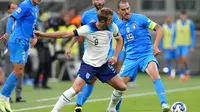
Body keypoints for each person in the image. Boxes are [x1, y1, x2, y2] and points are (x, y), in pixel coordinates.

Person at [34, 8, 127, 112]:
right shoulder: (87, 28)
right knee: (75, 90)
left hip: (103, 65)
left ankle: (110, 109)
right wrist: (43, 35)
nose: (112, 21)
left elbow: (119, 39)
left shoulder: (112, 27)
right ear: (102, 21)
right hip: (89, 65)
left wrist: (115, 56)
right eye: (110, 20)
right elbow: (65, 34)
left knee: (122, 87)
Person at [106, 0, 170, 112]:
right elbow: (120, 42)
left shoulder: (140, 18)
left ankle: (164, 104)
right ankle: (113, 109)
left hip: (146, 54)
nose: (127, 11)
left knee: (154, 74)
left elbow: (159, 28)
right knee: (120, 86)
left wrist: (155, 46)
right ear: (119, 11)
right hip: (131, 58)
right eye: (124, 10)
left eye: (128, 8)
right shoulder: (118, 26)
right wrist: (115, 56)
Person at [66, 0, 125, 112]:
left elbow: (118, 33)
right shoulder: (87, 15)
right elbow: (78, 32)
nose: (99, 1)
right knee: (87, 79)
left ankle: (112, 108)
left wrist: (116, 54)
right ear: (93, 1)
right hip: (89, 54)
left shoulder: (111, 15)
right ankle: (79, 105)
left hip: (105, 55)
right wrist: (70, 46)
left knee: (118, 85)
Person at [0, 0, 40, 111]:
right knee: (17, 70)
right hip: (17, 40)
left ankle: (6, 99)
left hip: (25, 42)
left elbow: (30, 25)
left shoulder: (36, 7)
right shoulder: (25, 5)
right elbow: (12, 17)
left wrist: (34, 37)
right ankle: (2, 97)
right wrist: (8, 32)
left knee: (19, 72)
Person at [0, 1, 27, 103]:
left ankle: (18, 96)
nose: (15, 10)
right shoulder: (3, 21)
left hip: (20, 49)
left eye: (16, 8)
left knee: (20, 73)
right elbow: (1, 36)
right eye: (13, 8)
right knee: (8, 73)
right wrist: (4, 50)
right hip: (9, 49)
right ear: (8, 10)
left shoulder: (22, 20)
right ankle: (7, 96)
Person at [172, 11, 195, 81]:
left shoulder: (190, 23)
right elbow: (174, 35)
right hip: (178, 44)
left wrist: (192, 46)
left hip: (186, 44)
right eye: (182, 15)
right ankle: (182, 74)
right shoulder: (177, 23)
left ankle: (187, 71)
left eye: (184, 15)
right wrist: (172, 44)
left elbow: (192, 35)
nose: (183, 17)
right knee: (180, 60)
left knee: (184, 59)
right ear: (180, 16)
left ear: (186, 16)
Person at [160, 16, 176, 80]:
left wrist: (173, 45)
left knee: (177, 61)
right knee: (168, 60)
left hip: (174, 47)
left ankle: (178, 73)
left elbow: (176, 37)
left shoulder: (174, 26)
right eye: (167, 18)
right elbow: (161, 37)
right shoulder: (163, 27)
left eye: (170, 18)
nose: (169, 19)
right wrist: (161, 46)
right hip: (166, 47)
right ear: (165, 19)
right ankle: (169, 74)